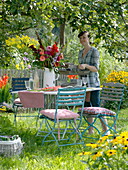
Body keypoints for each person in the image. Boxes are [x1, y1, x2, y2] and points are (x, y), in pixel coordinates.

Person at [77, 31, 109, 134]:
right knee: (87, 107)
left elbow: (96, 68)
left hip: (93, 84)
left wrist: (85, 65)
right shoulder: (80, 52)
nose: (82, 40)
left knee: (97, 106)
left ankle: (106, 129)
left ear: (89, 39)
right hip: (83, 83)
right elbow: (81, 67)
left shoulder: (94, 51)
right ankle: (90, 130)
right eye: (81, 38)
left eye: (84, 38)